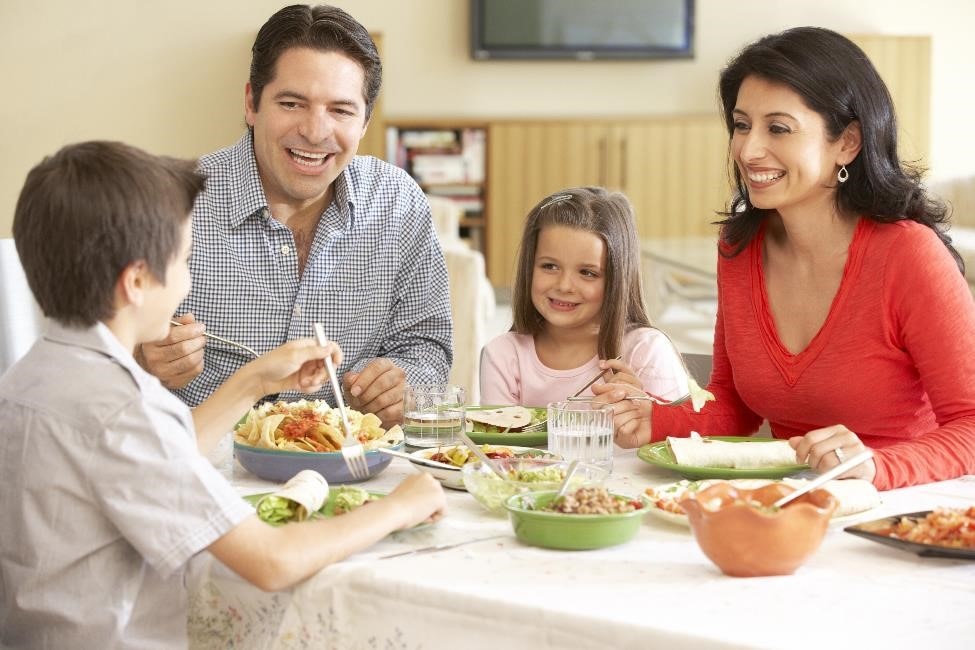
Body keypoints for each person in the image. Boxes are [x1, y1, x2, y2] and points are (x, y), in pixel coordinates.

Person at [0, 141, 446, 649]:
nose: (188, 281)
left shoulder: (31, 377)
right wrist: (398, 508)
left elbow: (156, 458)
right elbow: (272, 561)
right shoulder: (127, 408)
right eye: (185, 260)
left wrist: (256, 379)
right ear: (138, 281)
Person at [594, 27, 975, 490]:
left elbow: (971, 426)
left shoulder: (909, 255)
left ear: (847, 143)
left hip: (901, 509)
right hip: (788, 503)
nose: (749, 150)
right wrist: (654, 419)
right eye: (741, 125)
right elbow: (734, 408)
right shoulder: (739, 249)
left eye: (778, 128)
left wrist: (877, 465)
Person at [139, 4, 452, 426]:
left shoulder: (399, 203)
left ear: (364, 123)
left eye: (340, 110)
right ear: (252, 103)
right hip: (201, 463)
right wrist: (144, 357)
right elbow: (101, 358)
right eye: (292, 103)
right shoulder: (172, 201)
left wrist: (403, 382)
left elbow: (427, 343)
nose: (315, 131)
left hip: (348, 461)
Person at [479, 186, 688, 406]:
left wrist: (643, 414)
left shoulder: (646, 351)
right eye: (549, 266)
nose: (564, 285)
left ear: (617, 280)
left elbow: (682, 438)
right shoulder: (503, 354)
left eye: (588, 273)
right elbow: (495, 438)